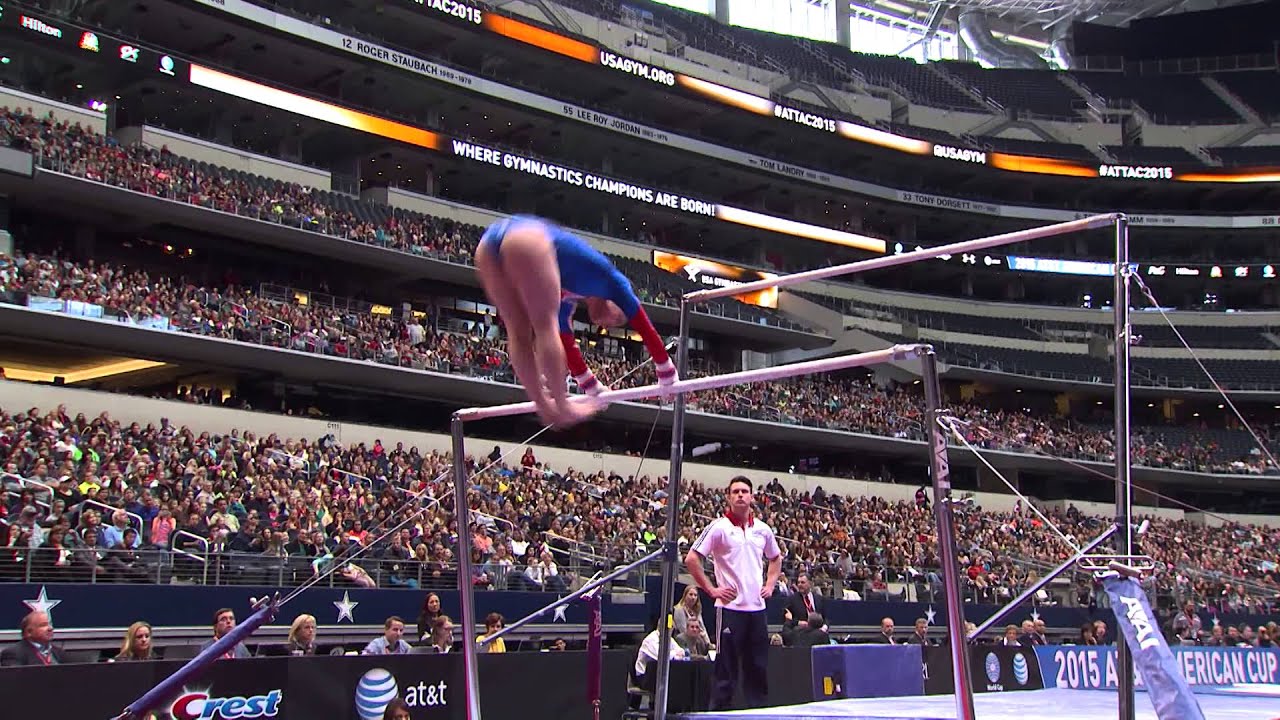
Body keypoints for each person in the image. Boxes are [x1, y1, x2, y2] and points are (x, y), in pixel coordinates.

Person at [475, 215, 678, 427]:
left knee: (518, 332)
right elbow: (644, 327)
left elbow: (567, 343)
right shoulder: (615, 282)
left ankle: (544, 406)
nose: (608, 324)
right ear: (614, 303)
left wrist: (592, 387)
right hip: (527, 238)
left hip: (490, 244)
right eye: (617, 318)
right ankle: (561, 406)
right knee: (545, 329)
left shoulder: (568, 296)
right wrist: (667, 372)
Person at [685, 476, 782, 710]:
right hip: (729, 609)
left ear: (752, 497)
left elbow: (776, 557)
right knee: (725, 669)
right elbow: (692, 558)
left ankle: (758, 712)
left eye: (744, 491)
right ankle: (718, 713)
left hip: (757, 610)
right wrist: (711, 590)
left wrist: (770, 584)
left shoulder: (763, 530)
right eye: (735, 491)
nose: (740, 495)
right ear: (728, 497)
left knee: (757, 667)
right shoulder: (719, 528)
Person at [1, 611, 69, 666]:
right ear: (29, 632)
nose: (50, 628)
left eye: (50, 624)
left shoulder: (59, 653)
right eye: (43, 625)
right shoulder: (13, 653)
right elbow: (15, 680)